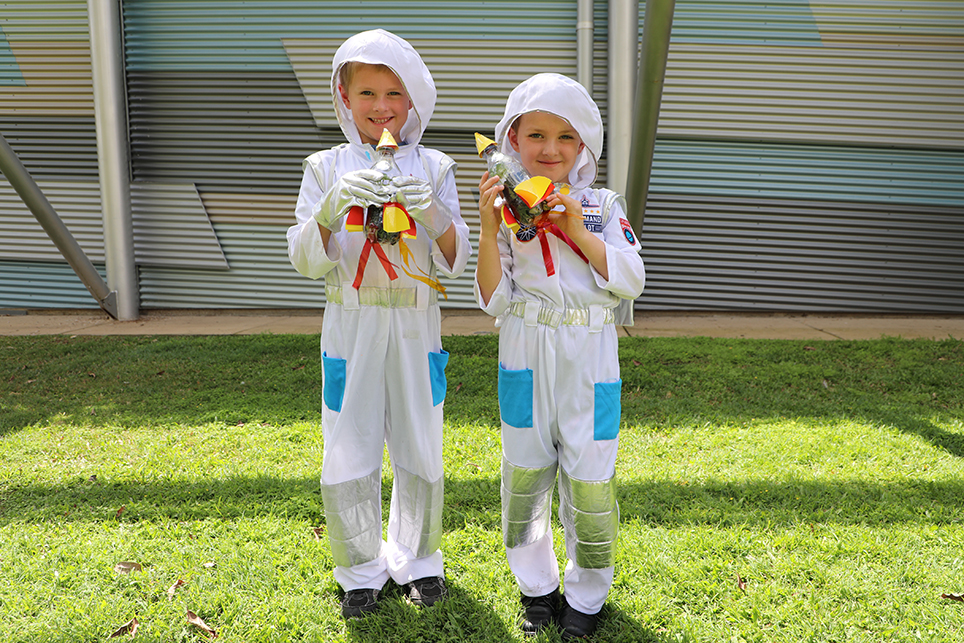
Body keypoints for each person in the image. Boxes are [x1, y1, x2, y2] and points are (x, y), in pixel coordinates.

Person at [287, 29, 471, 619]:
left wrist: (433, 210)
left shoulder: (436, 166)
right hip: (352, 322)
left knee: (421, 443)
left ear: (414, 98)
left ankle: (420, 562)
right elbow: (306, 259)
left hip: (418, 327)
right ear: (343, 95)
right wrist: (329, 207)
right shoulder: (324, 167)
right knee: (349, 445)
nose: (382, 106)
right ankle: (359, 570)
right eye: (367, 92)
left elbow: (456, 256)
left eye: (394, 92)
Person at [475, 73, 645, 639]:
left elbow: (630, 278)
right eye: (537, 135)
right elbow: (492, 297)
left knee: (591, 474)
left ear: (585, 147)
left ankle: (587, 595)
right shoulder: (508, 209)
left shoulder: (601, 205)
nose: (550, 150)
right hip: (525, 346)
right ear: (512, 140)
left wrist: (575, 226)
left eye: (566, 138)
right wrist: (487, 225)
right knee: (524, 471)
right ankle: (537, 588)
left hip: (590, 355)